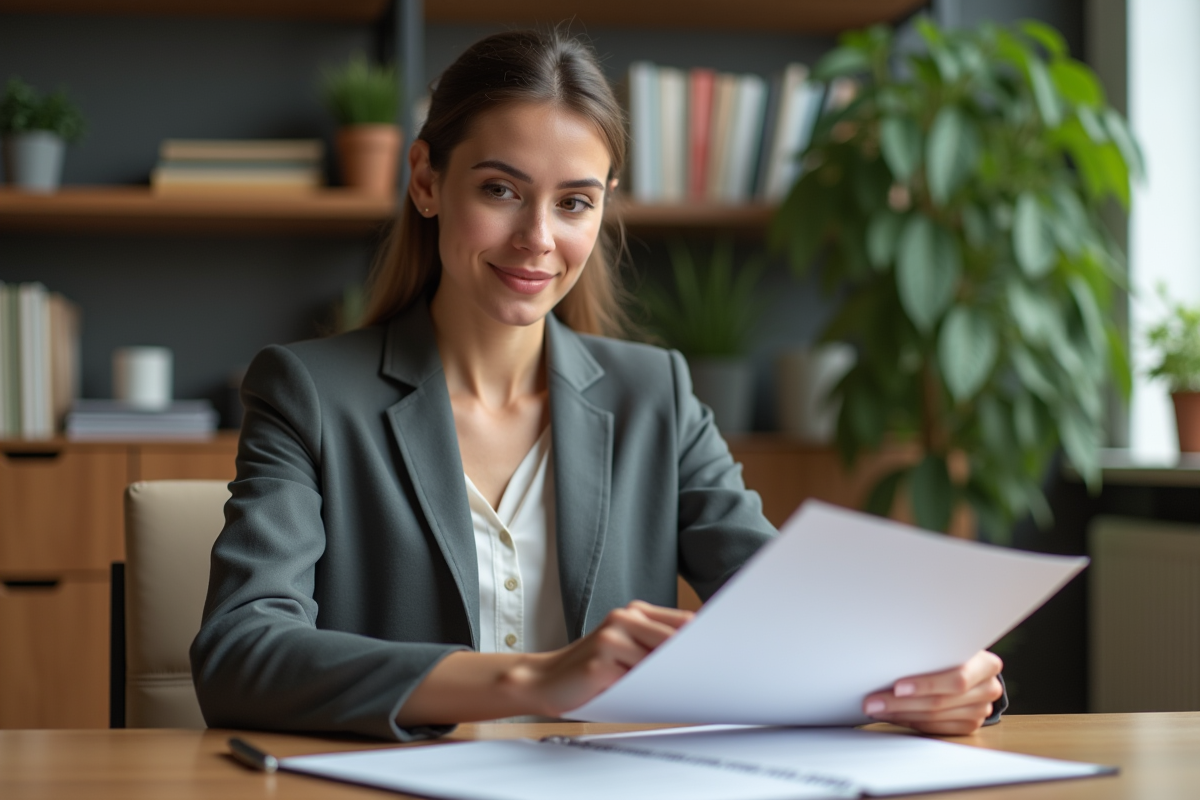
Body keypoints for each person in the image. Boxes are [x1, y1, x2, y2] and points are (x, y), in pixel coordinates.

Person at [190, 29, 1005, 741]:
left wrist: (944, 679)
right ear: (427, 180)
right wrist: (532, 679)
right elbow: (239, 653)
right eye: (501, 190)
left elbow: (782, 614)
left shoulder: (656, 396)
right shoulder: (308, 393)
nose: (537, 238)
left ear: (603, 207)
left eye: (574, 203)